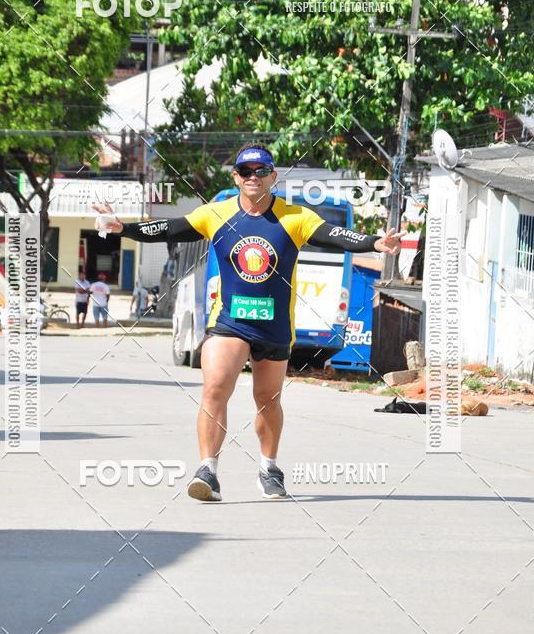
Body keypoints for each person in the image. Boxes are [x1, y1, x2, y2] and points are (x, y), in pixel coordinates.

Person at [93, 142, 402, 502]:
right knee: (215, 387)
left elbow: (333, 235)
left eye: (261, 171)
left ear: (273, 176)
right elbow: (170, 228)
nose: (253, 176)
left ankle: (269, 468)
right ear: (236, 177)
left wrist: (374, 242)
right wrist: (123, 228)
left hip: (274, 327)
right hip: (230, 322)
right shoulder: (216, 214)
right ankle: (207, 471)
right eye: (245, 171)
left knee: (267, 400)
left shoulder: (295, 217)